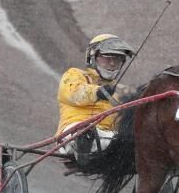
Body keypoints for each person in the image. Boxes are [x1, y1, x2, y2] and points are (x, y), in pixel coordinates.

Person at [57, 33, 135, 164]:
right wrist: (98, 92)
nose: (112, 63)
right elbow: (74, 92)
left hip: (109, 137)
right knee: (85, 132)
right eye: (107, 58)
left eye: (117, 60)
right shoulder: (75, 74)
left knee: (136, 140)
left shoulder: (122, 89)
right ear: (92, 57)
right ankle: (83, 146)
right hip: (74, 131)